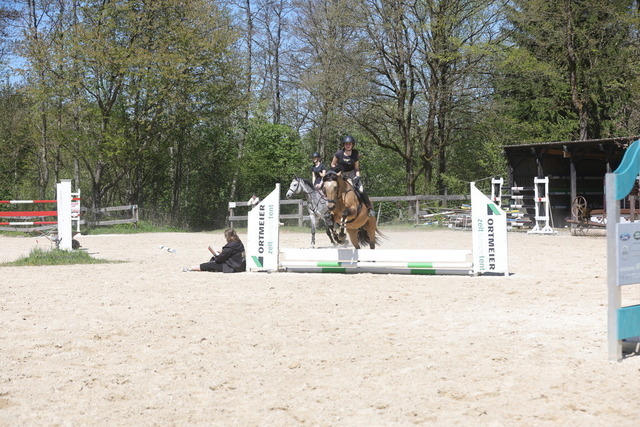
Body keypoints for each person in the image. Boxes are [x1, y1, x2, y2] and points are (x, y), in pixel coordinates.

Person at [330, 135, 375, 216]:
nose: (348, 145)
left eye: (349, 144)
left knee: (361, 189)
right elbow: (333, 164)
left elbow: (356, 168)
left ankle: (369, 208)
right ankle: (329, 208)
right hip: (341, 174)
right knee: (332, 187)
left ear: (352, 145)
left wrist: (357, 177)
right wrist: (337, 171)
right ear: (344, 145)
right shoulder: (339, 153)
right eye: (346, 144)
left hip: (351, 173)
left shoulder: (354, 155)